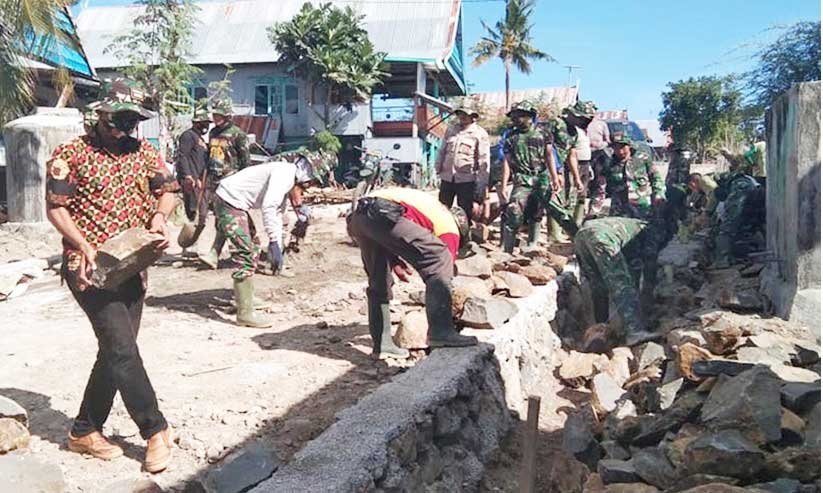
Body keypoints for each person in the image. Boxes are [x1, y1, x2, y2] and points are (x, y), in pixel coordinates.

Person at [45, 78, 177, 473]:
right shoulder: (71, 153)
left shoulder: (144, 152)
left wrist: (159, 216)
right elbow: (56, 208)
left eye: (131, 121)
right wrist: (83, 245)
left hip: (132, 265)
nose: (124, 129)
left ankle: (84, 430)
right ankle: (155, 430)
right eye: (117, 120)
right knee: (121, 348)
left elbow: (167, 190)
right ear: (99, 115)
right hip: (88, 269)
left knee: (115, 350)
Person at [347, 188, 478, 359]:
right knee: (439, 256)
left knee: (379, 280)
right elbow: (444, 263)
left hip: (361, 216)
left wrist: (394, 260)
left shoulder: (431, 209)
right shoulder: (450, 228)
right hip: (383, 212)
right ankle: (441, 331)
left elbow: (389, 232)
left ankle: (383, 344)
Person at [213, 158, 321, 327]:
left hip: (234, 202)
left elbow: (278, 214)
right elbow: (269, 206)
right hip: (228, 201)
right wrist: (273, 243)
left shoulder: (287, 178)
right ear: (304, 178)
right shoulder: (285, 174)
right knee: (246, 253)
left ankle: (245, 298)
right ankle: (245, 313)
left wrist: (276, 242)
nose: (304, 192)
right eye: (307, 185)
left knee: (254, 247)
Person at [499, 101, 575, 253]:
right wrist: (503, 185)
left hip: (542, 177)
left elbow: (549, 155)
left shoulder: (543, 133)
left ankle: (578, 238)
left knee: (555, 210)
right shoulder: (511, 137)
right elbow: (506, 162)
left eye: (518, 116)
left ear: (529, 116)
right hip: (522, 179)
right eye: (513, 116)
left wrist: (554, 177)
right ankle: (507, 250)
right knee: (514, 211)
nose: (515, 119)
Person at [575, 217, 661, 347]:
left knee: (597, 284)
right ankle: (635, 331)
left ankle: (600, 330)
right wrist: (647, 295)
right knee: (622, 284)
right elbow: (647, 264)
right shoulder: (649, 231)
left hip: (582, 235)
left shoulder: (632, 226)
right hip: (602, 237)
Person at [198, 99, 251, 269]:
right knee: (220, 217)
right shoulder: (213, 133)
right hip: (214, 181)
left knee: (230, 217)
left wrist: (242, 182)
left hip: (231, 182)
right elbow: (209, 157)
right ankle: (221, 252)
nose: (215, 117)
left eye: (219, 115)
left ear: (228, 116)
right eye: (214, 114)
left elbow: (245, 162)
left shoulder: (238, 134)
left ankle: (224, 252)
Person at [435, 104, 490, 226]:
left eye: (466, 114)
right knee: (442, 209)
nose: (462, 117)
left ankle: (465, 238)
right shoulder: (451, 130)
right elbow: (442, 150)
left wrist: (481, 184)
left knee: (465, 212)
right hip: (447, 177)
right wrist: (438, 167)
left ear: (473, 117)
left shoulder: (479, 133)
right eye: (460, 114)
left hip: (466, 179)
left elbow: (483, 159)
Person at [560, 100, 597, 226]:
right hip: (572, 164)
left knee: (582, 195)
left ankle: (577, 222)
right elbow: (571, 152)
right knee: (569, 195)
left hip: (585, 164)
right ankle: (566, 225)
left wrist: (589, 167)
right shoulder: (568, 129)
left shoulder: (582, 130)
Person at [175, 107, 210, 226]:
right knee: (192, 209)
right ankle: (189, 235)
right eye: (203, 123)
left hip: (201, 179)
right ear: (196, 123)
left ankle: (197, 232)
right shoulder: (188, 136)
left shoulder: (200, 139)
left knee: (202, 210)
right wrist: (189, 176)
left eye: (207, 123)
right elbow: (182, 156)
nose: (206, 126)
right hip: (192, 180)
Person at [586, 110, 610, 217]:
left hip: (600, 155)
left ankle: (594, 210)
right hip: (585, 156)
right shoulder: (583, 124)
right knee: (585, 183)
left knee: (600, 183)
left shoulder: (602, 124)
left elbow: (607, 140)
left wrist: (602, 145)